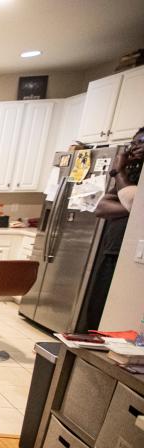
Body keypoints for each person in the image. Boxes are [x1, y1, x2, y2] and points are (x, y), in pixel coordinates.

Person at [85, 126, 142, 330]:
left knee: (119, 318)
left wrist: (118, 170)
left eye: (141, 141)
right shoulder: (132, 174)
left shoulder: (125, 174)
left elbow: (137, 205)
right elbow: (100, 207)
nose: (135, 147)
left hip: (133, 257)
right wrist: (130, 206)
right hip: (112, 249)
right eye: (134, 143)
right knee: (97, 310)